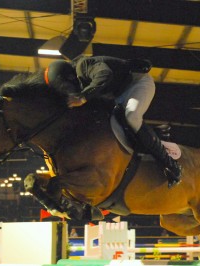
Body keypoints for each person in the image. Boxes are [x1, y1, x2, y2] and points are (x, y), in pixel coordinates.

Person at [44, 56, 182, 188]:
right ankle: (152, 136)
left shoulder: (84, 65)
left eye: (65, 87)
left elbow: (105, 74)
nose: (67, 92)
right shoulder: (80, 80)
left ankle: (170, 165)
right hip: (120, 92)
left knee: (131, 116)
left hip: (138, 83)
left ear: (69, 77)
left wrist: (83, 97)